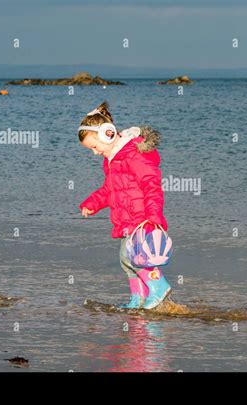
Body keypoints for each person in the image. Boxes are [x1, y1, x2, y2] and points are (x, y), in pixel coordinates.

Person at [78, 101, 171, 309]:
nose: (94, 152)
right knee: (127, 261)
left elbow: (152, 186)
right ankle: (139, 298)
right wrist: (92, 203)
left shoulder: (133, 155)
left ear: (107, 134)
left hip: (141, 219)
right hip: (126, 220)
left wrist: (154, 217)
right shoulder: (112, 159)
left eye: (94, 146)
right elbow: (110, 190)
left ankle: (159, 287)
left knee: (134, 258)